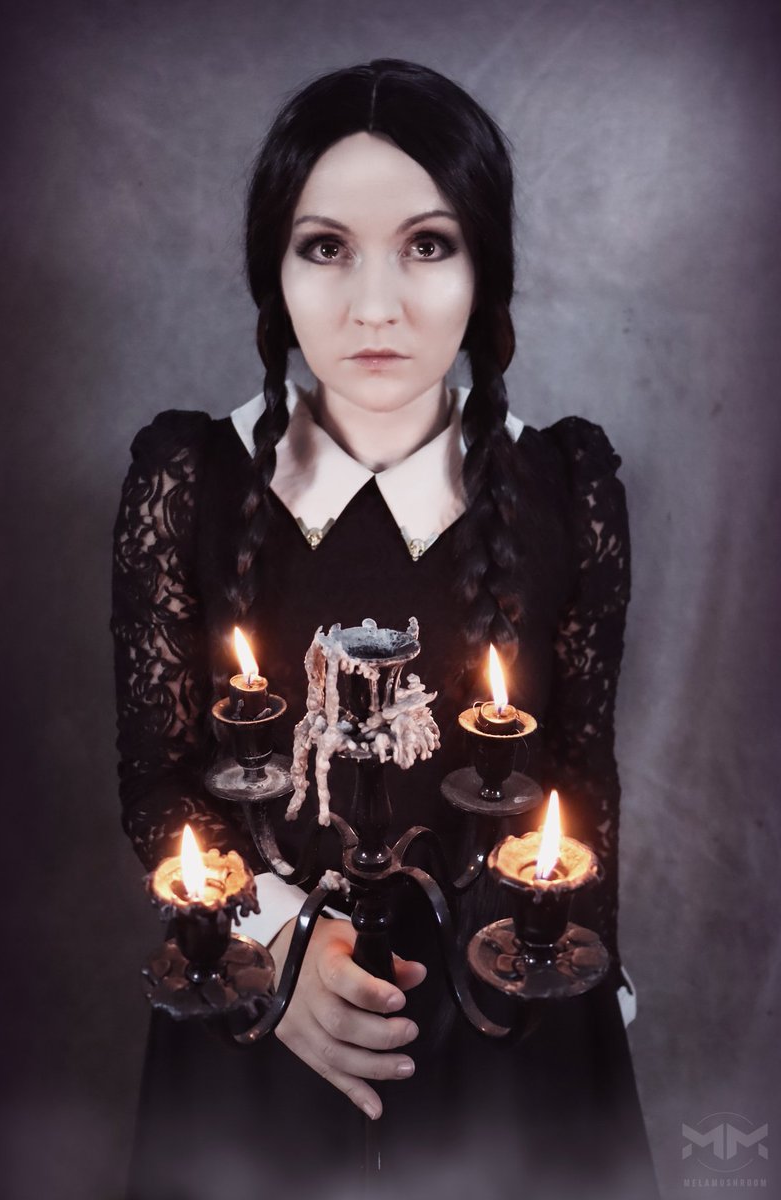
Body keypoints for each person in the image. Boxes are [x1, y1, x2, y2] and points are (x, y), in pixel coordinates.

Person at [112, 59, 658, 1200]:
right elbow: (157, 783)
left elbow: (579, 776)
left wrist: (573, 997)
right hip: (252, 1017)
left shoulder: (565, 486)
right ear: (273, 270)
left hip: (508, 1021)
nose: (374, 307)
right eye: (325, 247)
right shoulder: (191, 479)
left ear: (484, 266)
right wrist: (275, 947)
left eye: (427, 244)